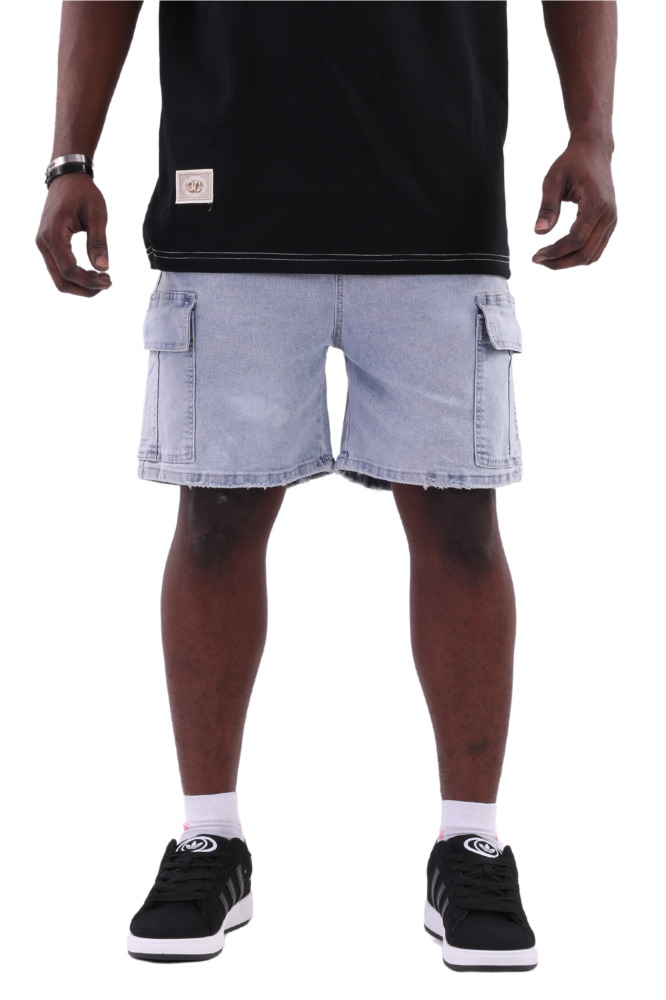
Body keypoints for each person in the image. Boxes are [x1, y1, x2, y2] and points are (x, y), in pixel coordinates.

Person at [36, 0, 617, 972]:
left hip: (439, 198)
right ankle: (209, 838)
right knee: (215, 518)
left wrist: (593, 134)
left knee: (462, 525)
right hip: (229, 194)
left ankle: (471, 844)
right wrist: (70, 158)